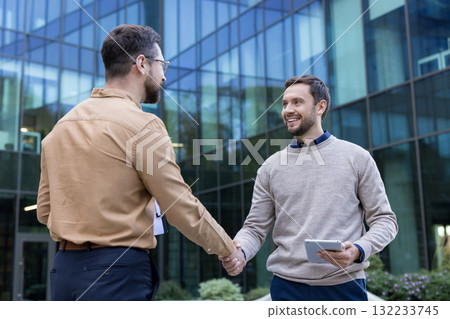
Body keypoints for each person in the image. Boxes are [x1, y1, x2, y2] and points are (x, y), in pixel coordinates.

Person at [37, 24, 242, 301]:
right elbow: (178, 204)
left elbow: (44, 210)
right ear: (142, 64)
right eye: (162, 65)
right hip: (116, 272)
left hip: (63, 272)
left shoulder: (60, 127)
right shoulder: (143, 126)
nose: (164, 77)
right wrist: (227, 248)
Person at [221, 75, 398, 301]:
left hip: (344, 287)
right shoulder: (270, 167)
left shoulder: (357, 158)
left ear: (320, 106)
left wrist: (358, 250)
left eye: (297, 102)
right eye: (285, 104)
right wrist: (240, 251)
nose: (288, 110)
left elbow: (385, 220)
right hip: (287, 289)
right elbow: (255, 228)